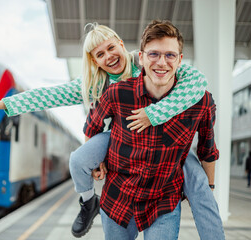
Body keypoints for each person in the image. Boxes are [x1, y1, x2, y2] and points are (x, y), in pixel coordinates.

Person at [0, 24, 222, 239]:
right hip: (121, 137)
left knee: (199, 183)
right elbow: (49, 97)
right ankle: (88, 202)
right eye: (100, 54)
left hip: (168, 143)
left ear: (121, 43)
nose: (109, 57)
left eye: (111, 47)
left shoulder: (153, 61)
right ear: (94, 61)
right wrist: (0, 104)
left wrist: (155, 114)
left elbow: (197, 82)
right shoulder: (99, 84)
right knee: (79, 158)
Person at [84, 19, 220, 240]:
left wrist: (210, 186)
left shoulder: (201, 102)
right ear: (141, 57)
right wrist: (95, 158)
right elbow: (92, 127)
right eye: (154, 54)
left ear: (180, 60)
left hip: (164, 200)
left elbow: (208, 150)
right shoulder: (117, 94)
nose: (162, 63)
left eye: (170, 55)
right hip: (118, 197)